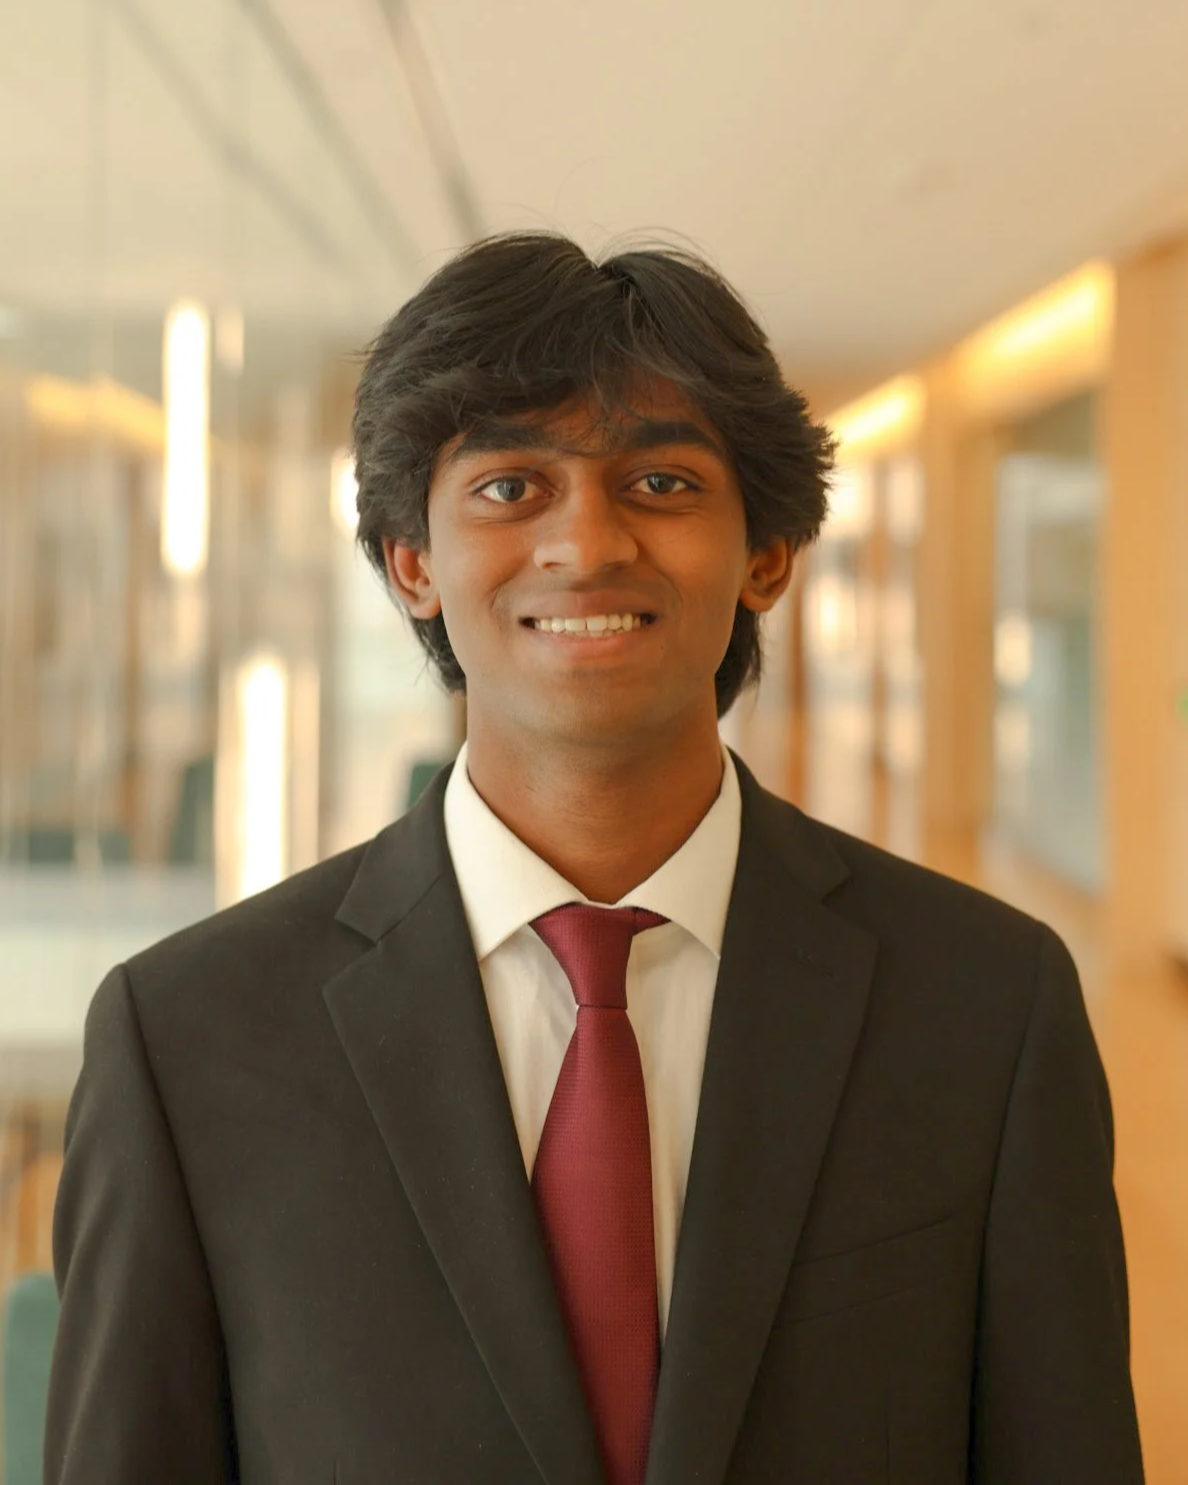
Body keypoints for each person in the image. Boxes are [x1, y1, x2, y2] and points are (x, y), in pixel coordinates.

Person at [45, 233, 1144, 1484]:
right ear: (413, 563)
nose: (587, 544)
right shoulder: (190, 1039)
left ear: (767, 558)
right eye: (512, 486)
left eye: (662, 484)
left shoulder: (987, 1008)